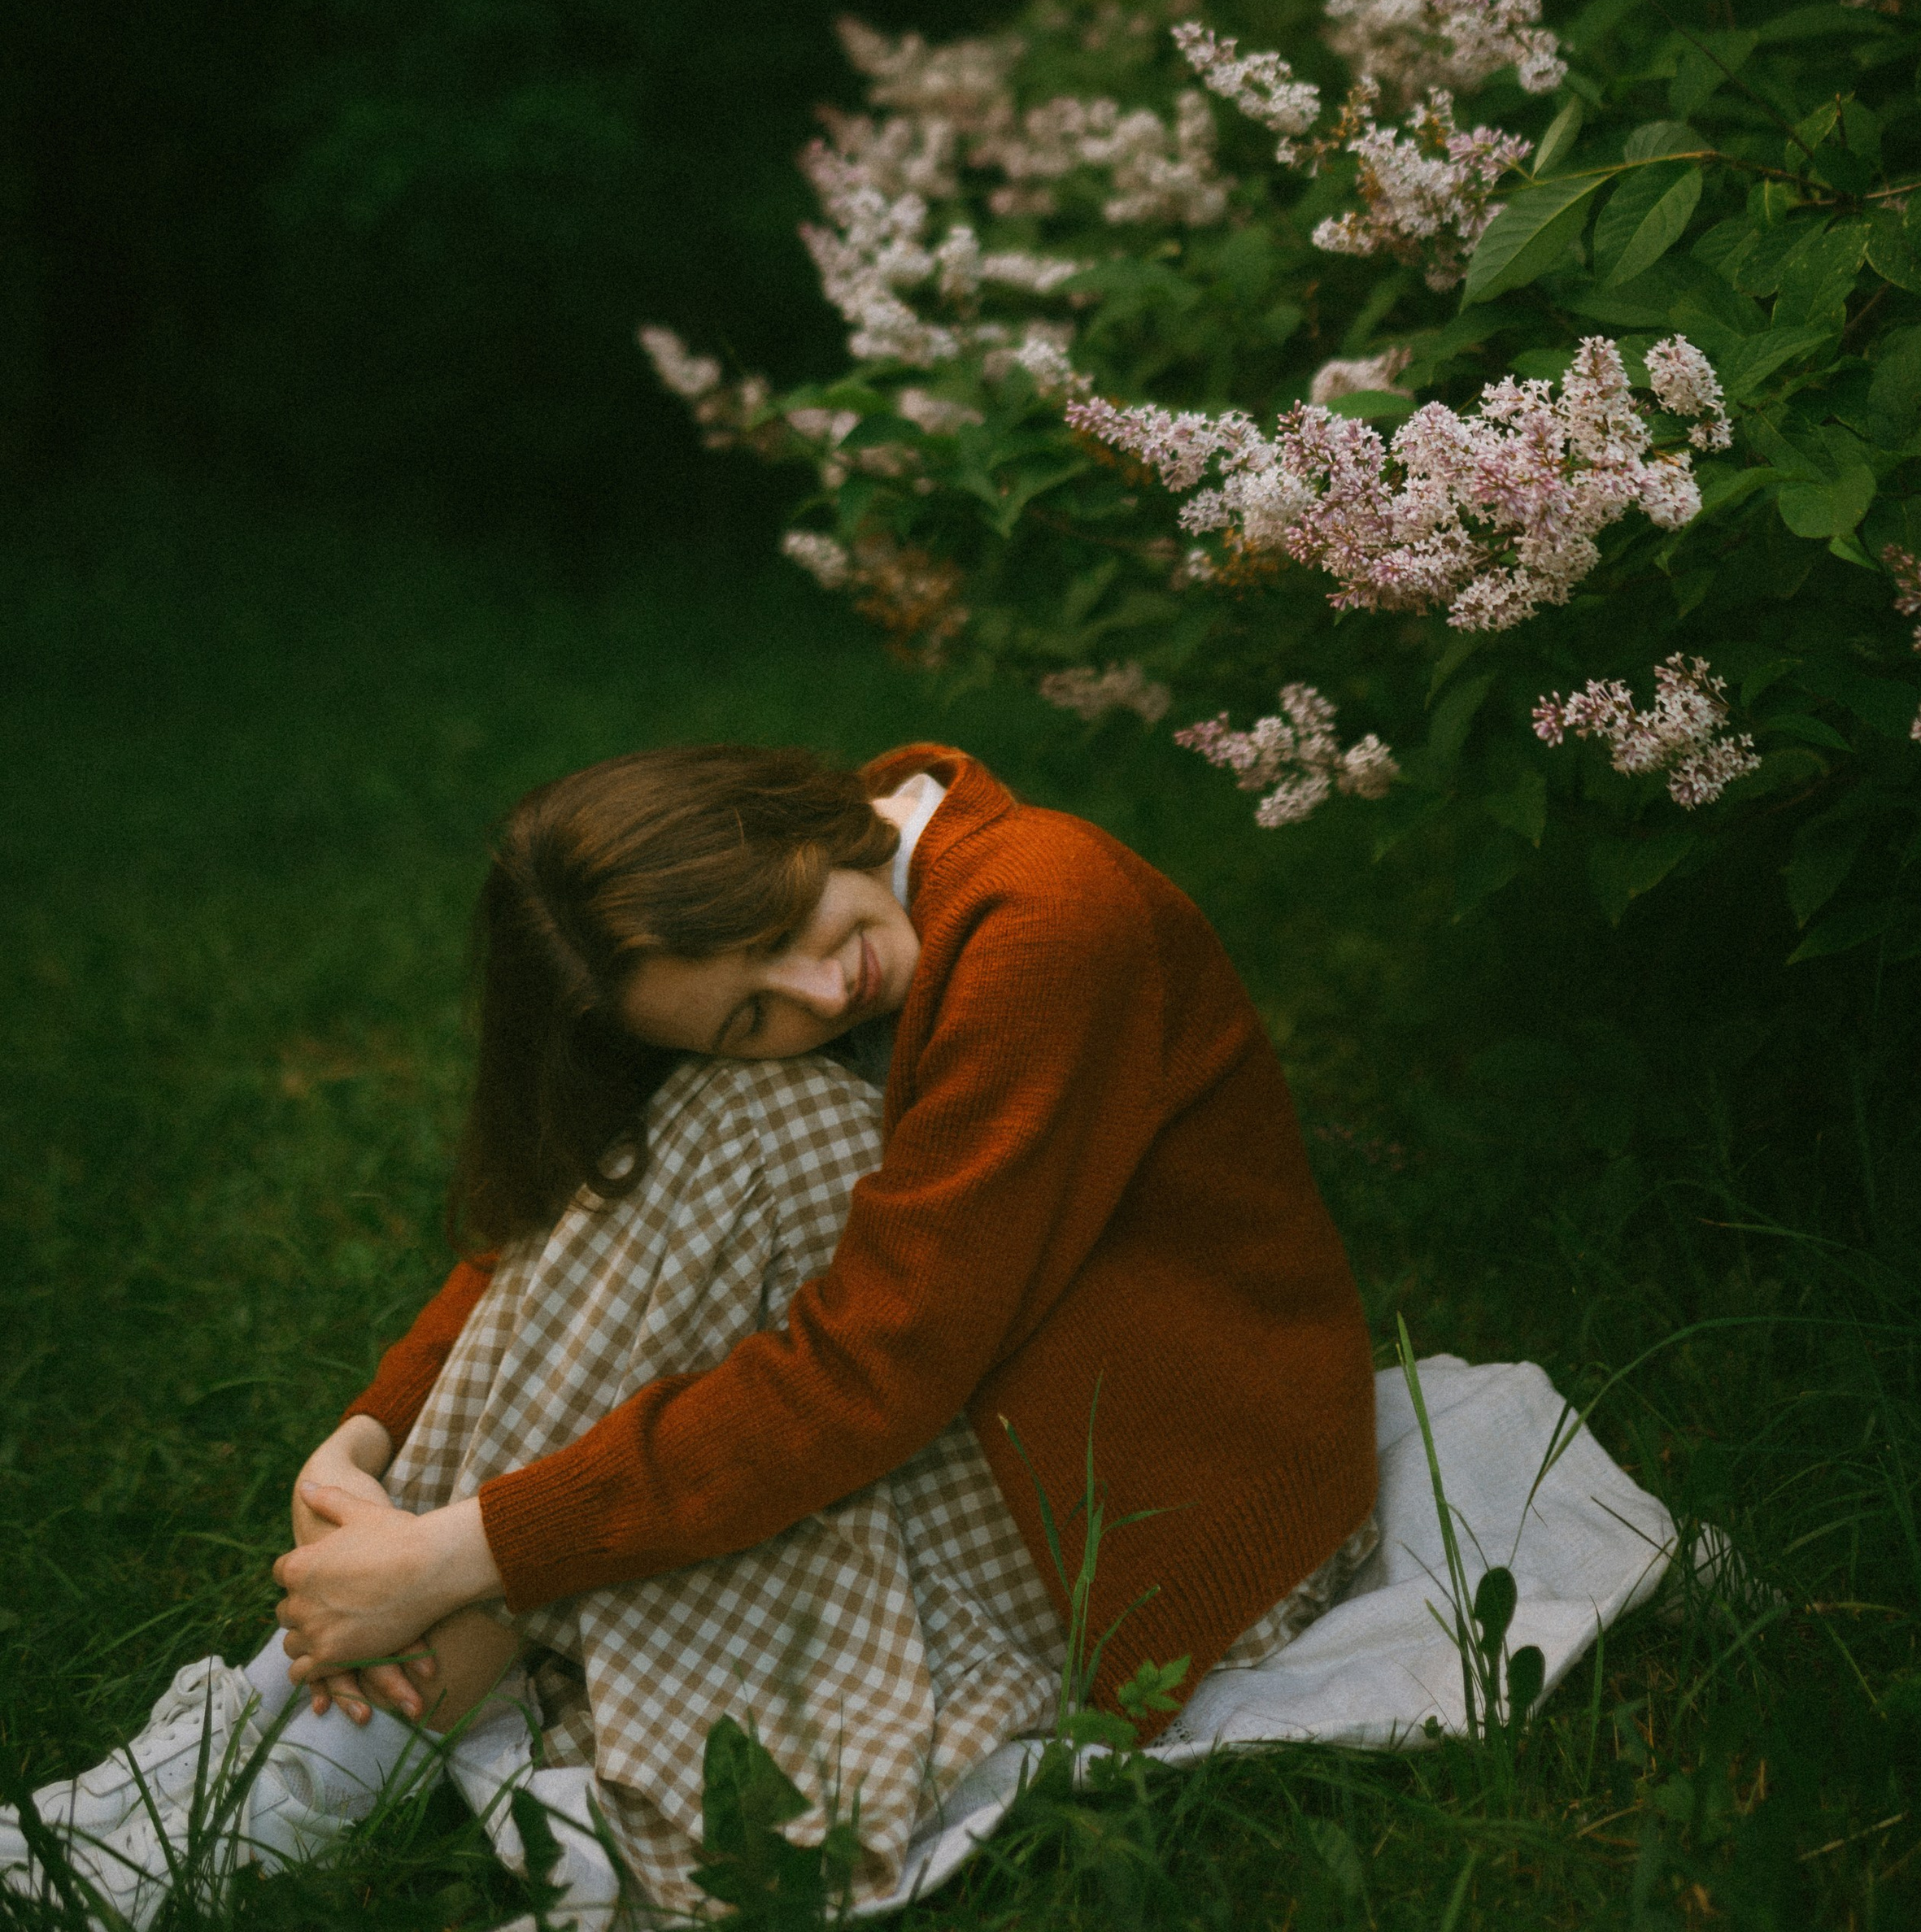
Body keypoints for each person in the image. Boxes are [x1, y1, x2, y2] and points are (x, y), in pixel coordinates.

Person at [2, 741, 1379, 1927]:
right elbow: (578, 1201)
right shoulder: (853, 882)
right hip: (1002, 1386)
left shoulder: (1043, 920)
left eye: (782, 927)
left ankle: (295, 1755)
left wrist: (455, 1550)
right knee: (722, 1118)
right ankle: (308, 1740)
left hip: (1159, 1502)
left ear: (778, 819)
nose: (816, 991)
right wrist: (366, 1433)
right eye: (750, 1011)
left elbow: (869, 1374)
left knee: (751, 1120)